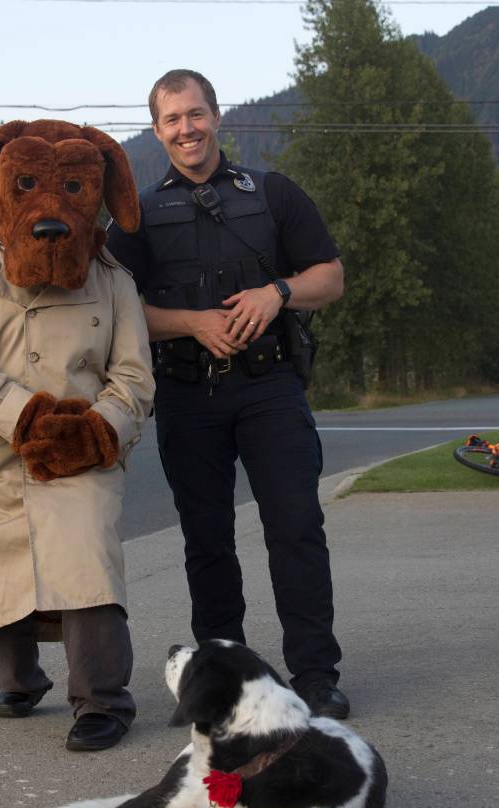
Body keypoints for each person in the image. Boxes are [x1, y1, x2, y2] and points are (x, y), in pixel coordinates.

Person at [106, 69, 349, 718]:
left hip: (269, 389)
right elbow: (113, 307)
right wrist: (191, 322)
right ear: (157, 131)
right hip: (188, 398)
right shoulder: (135, 217)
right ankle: (223, 681)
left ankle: (316, 676)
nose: (186, 128)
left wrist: (278, 293)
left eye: (195, 114)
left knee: (295, 528)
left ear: (216, 116)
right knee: (206, 541)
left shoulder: (271, 193)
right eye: (171, 119)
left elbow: (329, 277)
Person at [0, 119, 155, 751]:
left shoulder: (114, 282)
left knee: (87, 562)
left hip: (82, 454)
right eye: (27, 184)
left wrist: (96, 432)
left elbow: (135, 377)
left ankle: (103, 701)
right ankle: (19, 678)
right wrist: (25, 419)